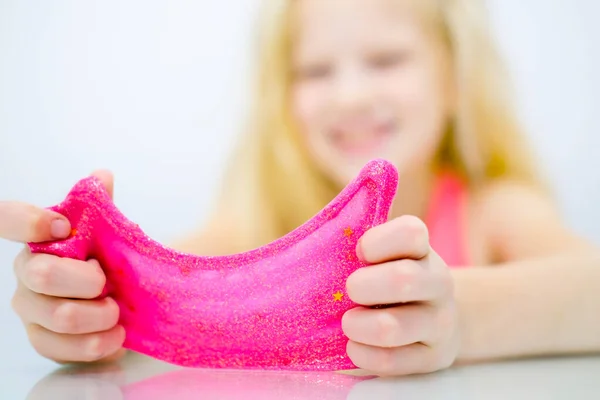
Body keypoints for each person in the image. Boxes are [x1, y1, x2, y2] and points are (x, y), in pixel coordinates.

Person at [3, 0, 600, 376]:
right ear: (281, 101)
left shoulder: (493, 209)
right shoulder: (263, 215)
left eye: (387, 58)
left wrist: (460, 322)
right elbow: (164, 295)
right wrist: (87, 303)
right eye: (316, 71)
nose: (350, 96)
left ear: (454, 83)